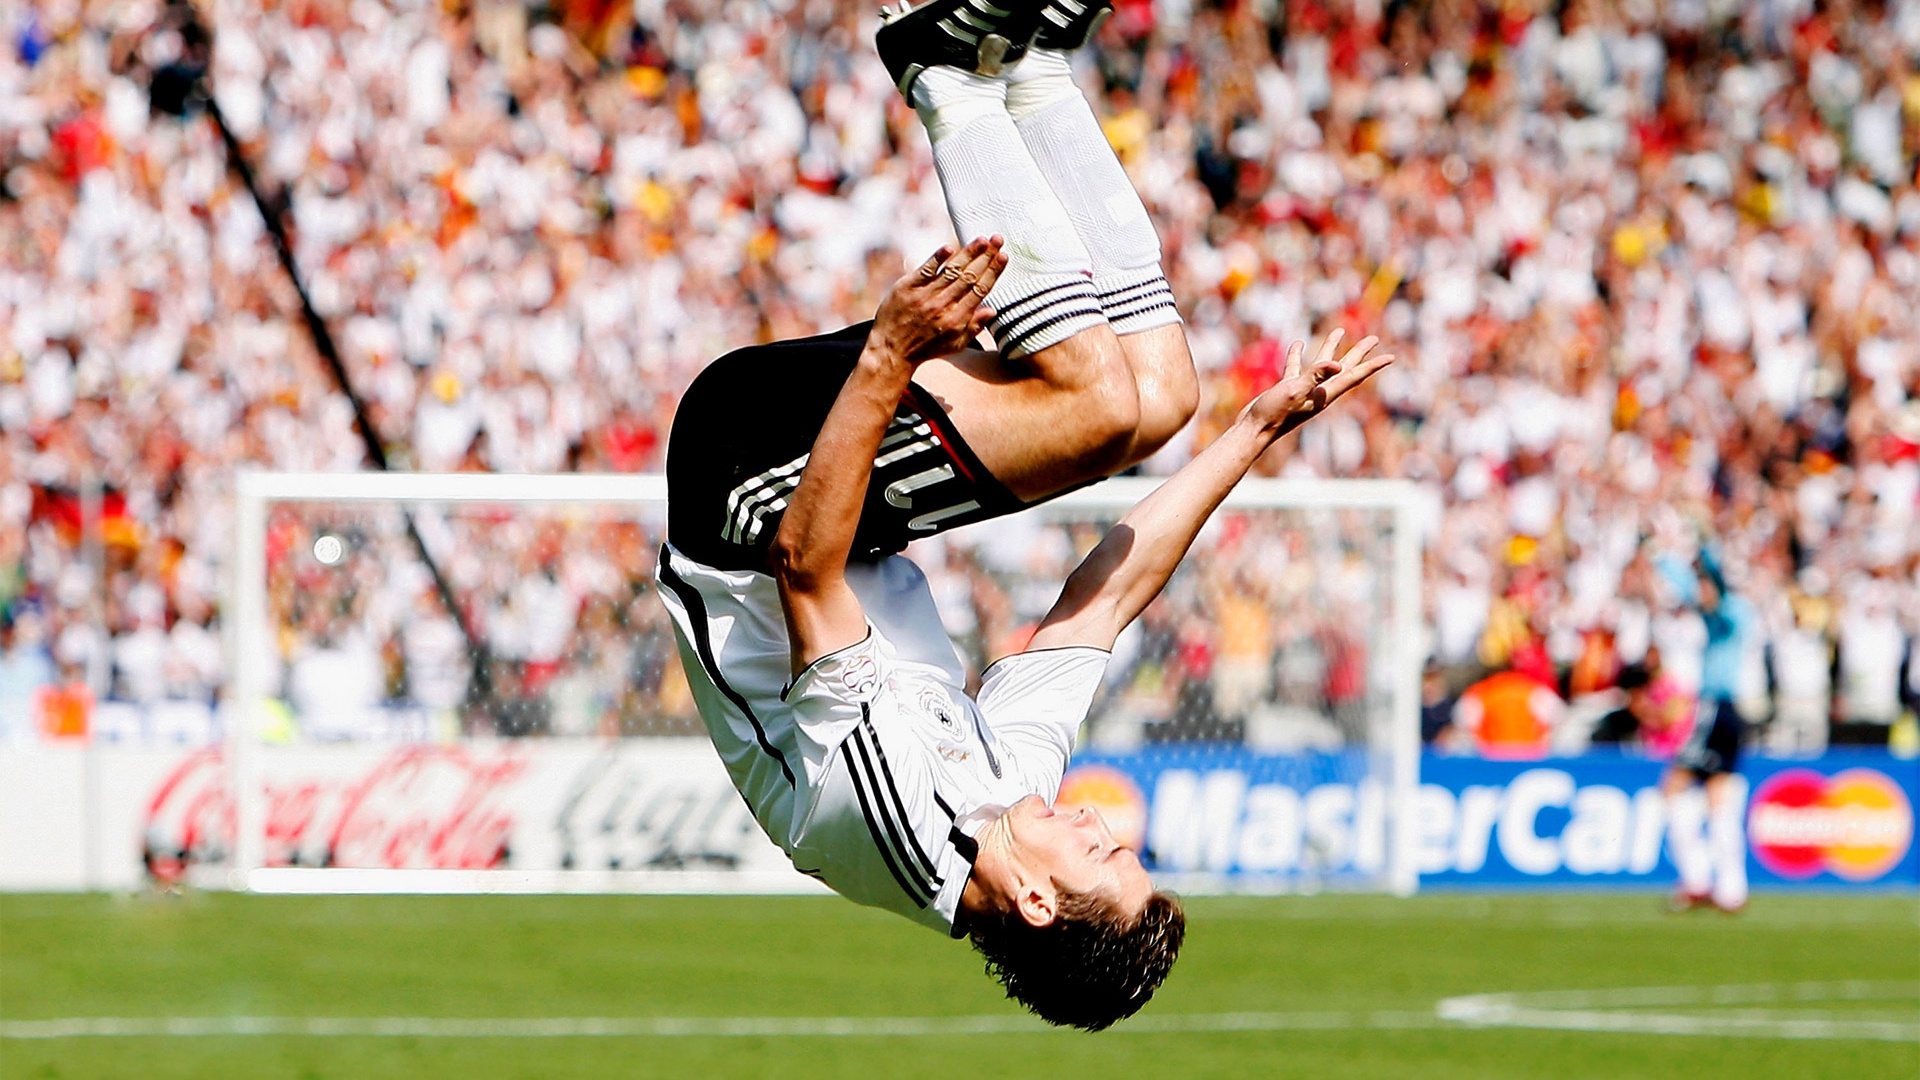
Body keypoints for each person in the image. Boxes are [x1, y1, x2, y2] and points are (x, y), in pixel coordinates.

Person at [654, 0, 1391, 1032]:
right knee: (1162, 399)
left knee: (1095, 409)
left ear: (1037, 902)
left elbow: (801, 567)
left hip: (746, 489)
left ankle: (942, 76)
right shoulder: (1011, 802)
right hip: (832, 508)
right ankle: (1036, 71)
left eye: (1105, 853)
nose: (1100, 822)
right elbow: (1102, 603)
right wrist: (1257, 431)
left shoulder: (893, 819)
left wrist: (891, 353)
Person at [1664, 552, 1755, 914]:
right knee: (1720, 799)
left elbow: (1710, 590)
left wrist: (1704, 551)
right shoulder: (1717, 613)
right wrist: (1661, 556)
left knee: (1675, 788)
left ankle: (1698, 879)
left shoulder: (1734, 612)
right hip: (1725, 711)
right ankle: (1729, 889)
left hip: (1718, 710)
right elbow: (1689, 589)